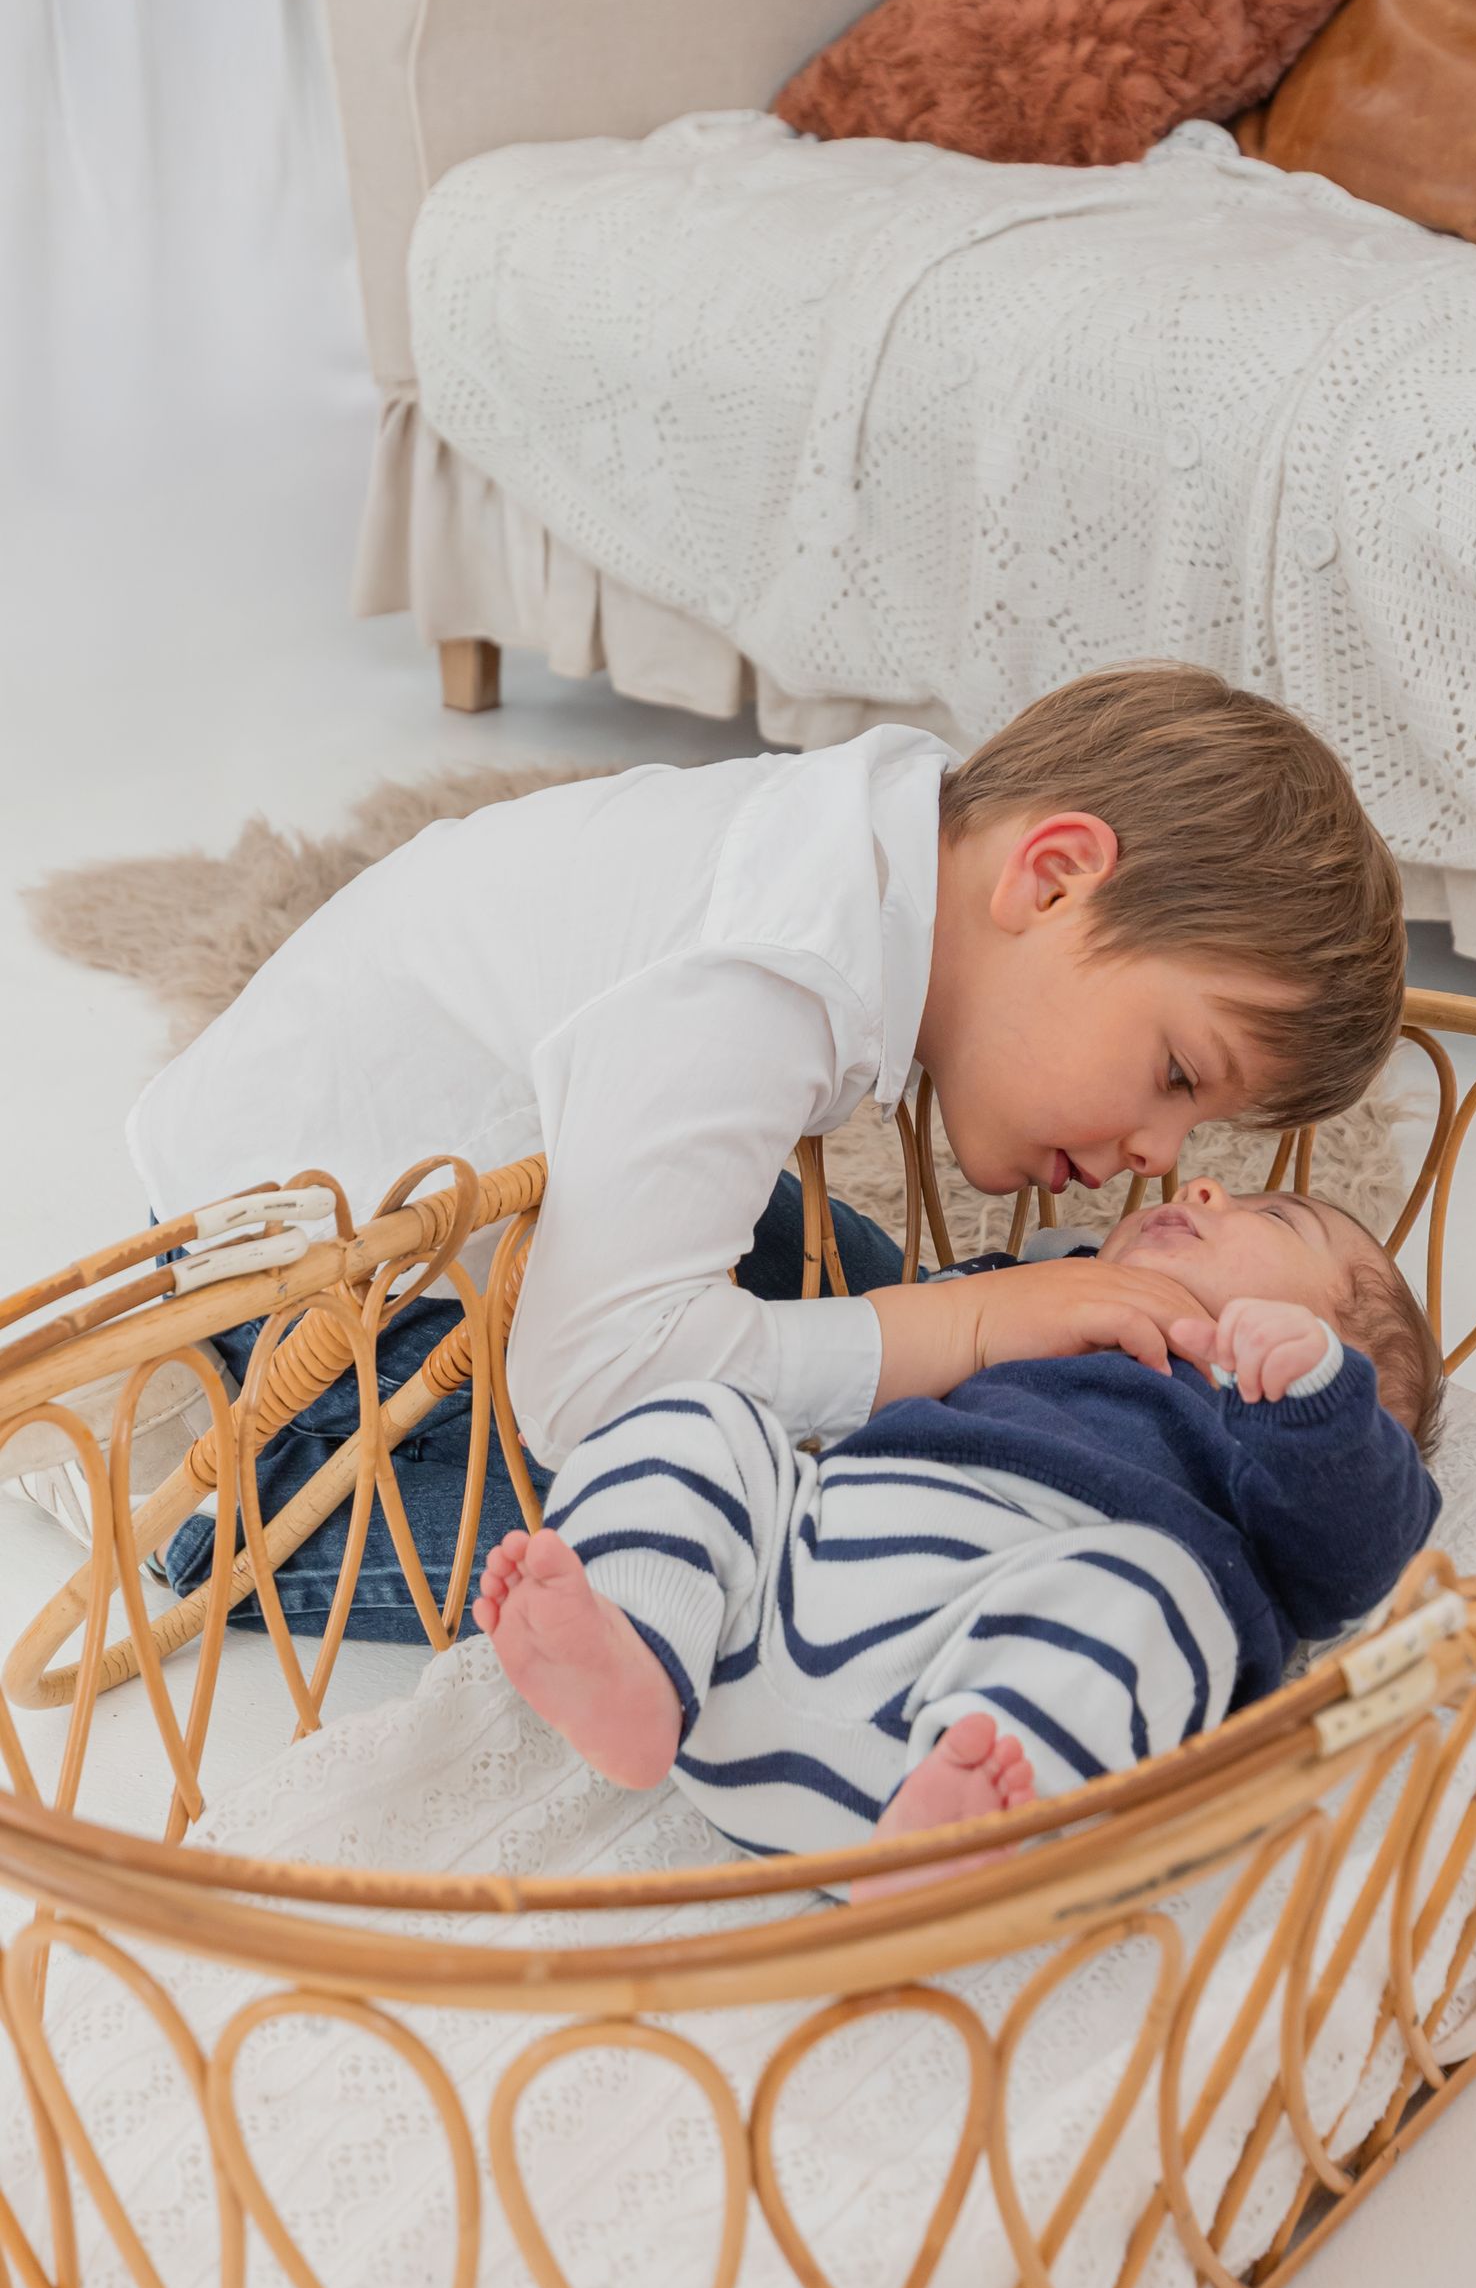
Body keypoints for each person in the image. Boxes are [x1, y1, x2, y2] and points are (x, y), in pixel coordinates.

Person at [128, 665, 1407, 1640]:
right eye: (1176, 1076)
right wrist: (966, 1332)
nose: (1155, 1154)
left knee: (851, 1281)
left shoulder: (892, 837)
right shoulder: (774, 973)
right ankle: (218, 1523)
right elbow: (587, 1385)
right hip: (322, 1285)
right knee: (697, 1553)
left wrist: (947, 1331)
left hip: (512, 1164)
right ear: (1053, 877)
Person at [472, 1176, 1443, 1878]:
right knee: (708, 1420)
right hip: (769, 1643)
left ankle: (964, 1836)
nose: (1207, 1185)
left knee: (1152, 1589)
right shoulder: (1043, 1303)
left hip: (961, 1743)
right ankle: (639, 1649)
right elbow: (880, 1354)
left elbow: (1363, 1553)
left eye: (1273, 1216)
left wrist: (1317, 1403)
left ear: (1333, 1345)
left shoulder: (1281, 1435)